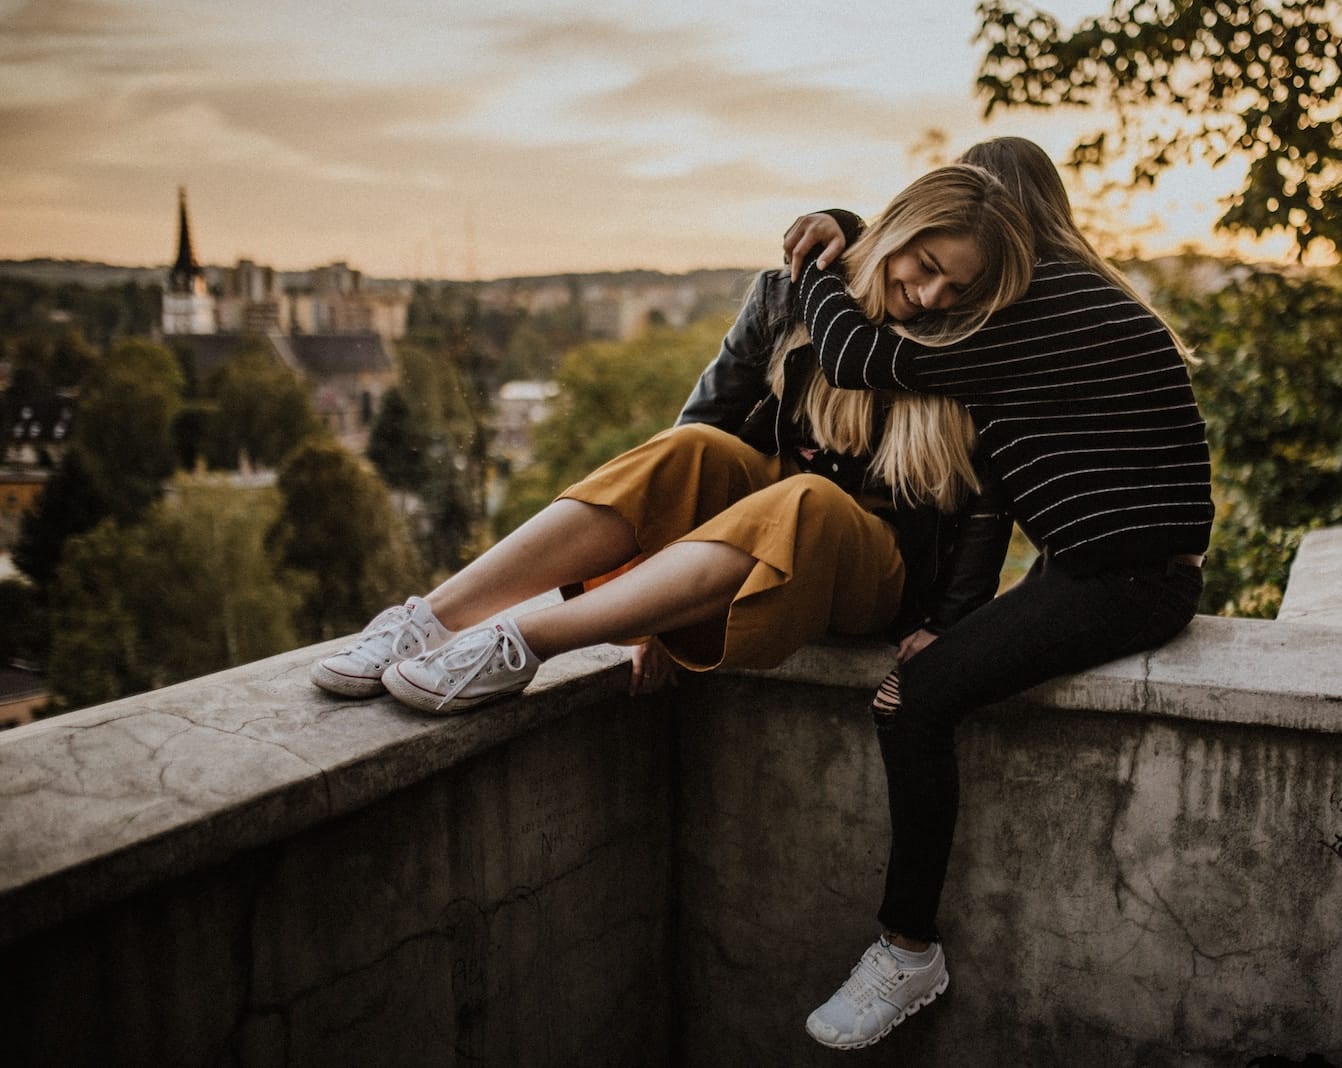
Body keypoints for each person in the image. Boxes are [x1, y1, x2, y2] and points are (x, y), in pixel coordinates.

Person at [309, 163, 1034, 718]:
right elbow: (705, 420)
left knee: (806, 499)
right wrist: (651, 609)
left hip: (877, 564)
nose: (936, 297)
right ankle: (427, 619)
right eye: (928, 268)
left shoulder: (966, 346)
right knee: (691, 451)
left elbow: (985, 502)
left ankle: (523, 643)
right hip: (764, 515)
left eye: (957, 290)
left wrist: (950, 623)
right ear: (897, 233)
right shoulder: (792, 295)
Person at [787, 138, 1215, 1050]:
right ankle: (904, 949)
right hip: (1095, 570)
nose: (949, 295)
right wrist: (960, 619)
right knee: (928, 677)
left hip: (1131, 584)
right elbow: (992, 480)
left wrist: (821, 258)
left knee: (912, 703)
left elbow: (859, 354)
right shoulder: (1061, 303)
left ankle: (907, 950)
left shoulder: (1034, 308)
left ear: (1005, 225)